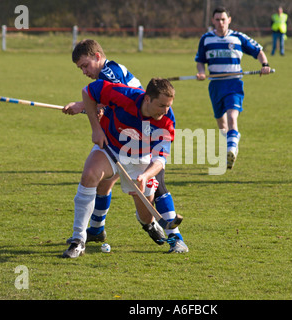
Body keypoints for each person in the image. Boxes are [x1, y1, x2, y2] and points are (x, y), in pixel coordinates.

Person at [63, 78, 184, 258]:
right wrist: (96, 128)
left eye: (168, 106)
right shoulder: (123, 95)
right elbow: (88, 91)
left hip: (141, 159)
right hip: (110, 148)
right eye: (161, 105)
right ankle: (78, 240)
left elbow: (160, 160)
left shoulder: (166, 119)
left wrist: (144, 176)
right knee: (89, 175)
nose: (165, 110)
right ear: (147, 99)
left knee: (146, 216)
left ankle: (150, 225)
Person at [195, 7, 271, 170]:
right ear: (213, 21)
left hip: (234, 83)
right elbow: (200, 60)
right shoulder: (206, 39)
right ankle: (231, 147)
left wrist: (264, 65)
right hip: (215, 85)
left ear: (229, 20)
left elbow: (259, 51)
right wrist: (201, 72)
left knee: (232, 118)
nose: (221, 23)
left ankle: (231, 149)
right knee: (222, 124)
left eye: (223, 19)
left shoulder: (238, 38)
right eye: (217, 20)